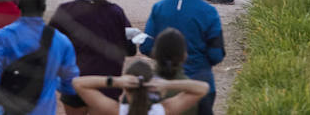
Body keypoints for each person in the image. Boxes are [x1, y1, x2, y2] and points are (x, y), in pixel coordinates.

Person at [137, 0, 225, 114]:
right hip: (199, 82)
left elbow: (146, 46)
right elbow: (216, 55)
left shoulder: (159, 7)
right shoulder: (209, 12)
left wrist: (165, 58)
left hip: (163, 84)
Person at [0, 0, 79, 115]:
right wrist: (52, 82)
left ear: (18, 5)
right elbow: (70, 82)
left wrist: (2, 93)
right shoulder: (61, 41)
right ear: (44, 7)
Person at [50, 0, 134, 109]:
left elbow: (49, 46)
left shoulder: (66, 11)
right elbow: (131, 49)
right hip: (107, 87)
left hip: (74, 83)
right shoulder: (116, 13)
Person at [71, 59, 210, 115]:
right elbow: (202, 88)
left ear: (125, 88)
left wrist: (116, 81)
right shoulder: (162, 110)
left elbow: (78, 83)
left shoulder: (116, 110)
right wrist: (167, 84)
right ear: (150, 86)